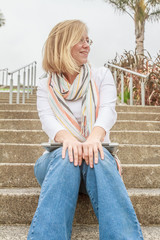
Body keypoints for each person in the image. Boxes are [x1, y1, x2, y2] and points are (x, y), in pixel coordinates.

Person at [27, 19, 144, 240]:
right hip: (56, 167)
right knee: (65, 155)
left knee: (97, 154)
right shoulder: (45, 86)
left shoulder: (101, 76)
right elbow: (47, 120)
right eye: (80, 40)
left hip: (97, 167)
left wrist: (93, 140)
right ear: (62, 44)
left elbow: (108, 112)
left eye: (88, 40)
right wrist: (67, 139)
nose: (87, 45)